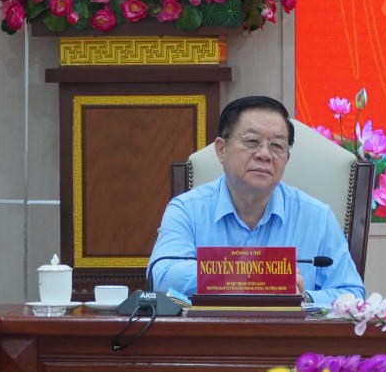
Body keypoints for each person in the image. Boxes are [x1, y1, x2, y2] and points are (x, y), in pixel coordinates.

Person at [148, 95, 365, 305]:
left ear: (287, 158)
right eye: (252, 142)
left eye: (277, 146)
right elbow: (163, 277)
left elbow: (352, 294)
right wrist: (258, 278)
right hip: (210, 329)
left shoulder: (317, 217)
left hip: (289, 331)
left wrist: (303, 298)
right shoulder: (187, 209)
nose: (265, 154)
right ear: (221, 150)